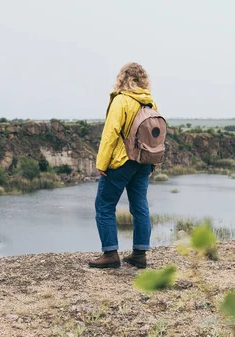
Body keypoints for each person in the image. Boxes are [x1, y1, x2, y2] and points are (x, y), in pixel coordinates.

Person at [88, 62, 158, 269]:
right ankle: (139, 254)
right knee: (140, 206)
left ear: (122, 78)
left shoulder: (121, 101)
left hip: (121, 161)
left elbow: (110, 135)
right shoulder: (151, 103)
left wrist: (102, 164)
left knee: (104, 206)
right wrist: (152, 164)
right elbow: (155, 137)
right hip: (144, 161)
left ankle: (110, 254)